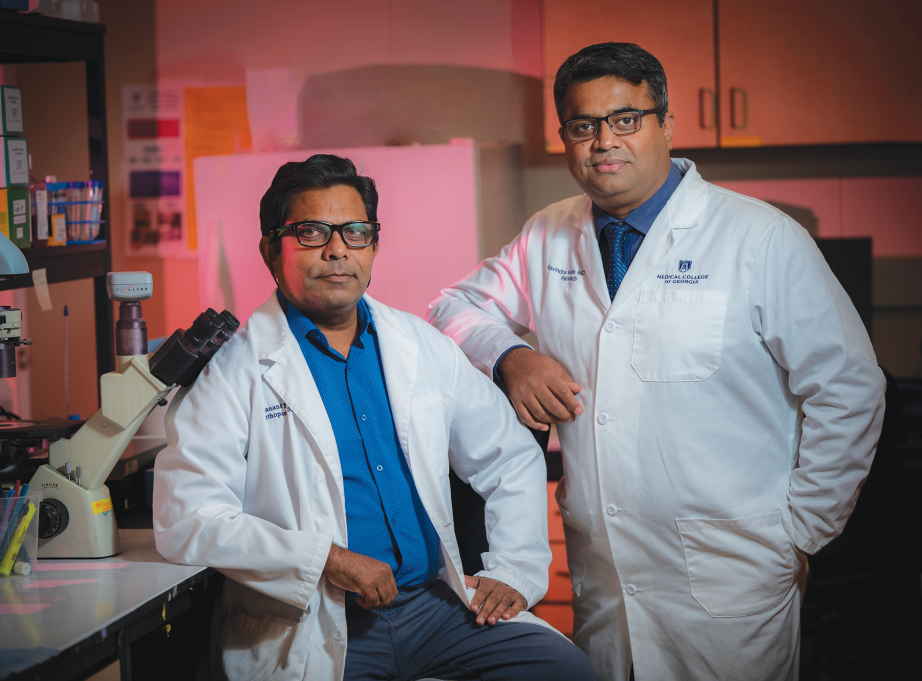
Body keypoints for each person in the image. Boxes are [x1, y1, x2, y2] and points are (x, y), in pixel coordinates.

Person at [428, 42, 886, 681]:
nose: (603, 142)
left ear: (666, 124)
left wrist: (800, 532)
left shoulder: (759, 238)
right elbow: (454, 305)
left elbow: (849, 389)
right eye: (583, 126)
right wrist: (510, 356)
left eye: (626, 119)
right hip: (605, 575)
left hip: (733, 576)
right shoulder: (547, 233)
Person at [153, 154, 594, 681]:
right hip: (316, 618)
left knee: (562, 670)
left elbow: (510, 454)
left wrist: (515, 571)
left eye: (355, 232)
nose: (338, 249)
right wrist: (327, 559)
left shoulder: (419, 346)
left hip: (437, 609)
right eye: (311, 232)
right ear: (271, 250)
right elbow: (188, 519)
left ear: (373, 244)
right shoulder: (232, 371)